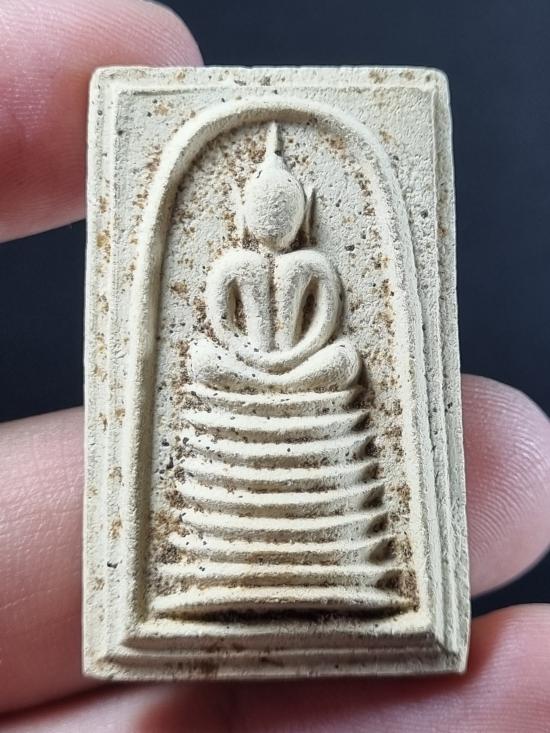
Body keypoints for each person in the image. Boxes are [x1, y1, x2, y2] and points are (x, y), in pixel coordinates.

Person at [0, 0, 549, 730]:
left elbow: (324, 331)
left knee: (346, 359)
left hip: (305, 374)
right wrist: (256, 364)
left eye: (283, 212)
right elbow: (221, 331)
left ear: (303, 209)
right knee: (200, 358)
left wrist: (289, 363)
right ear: (243, 211)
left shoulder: (314, 264)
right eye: (264, 212)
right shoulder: (230, 263)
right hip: (242, 374)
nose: (273, 224)